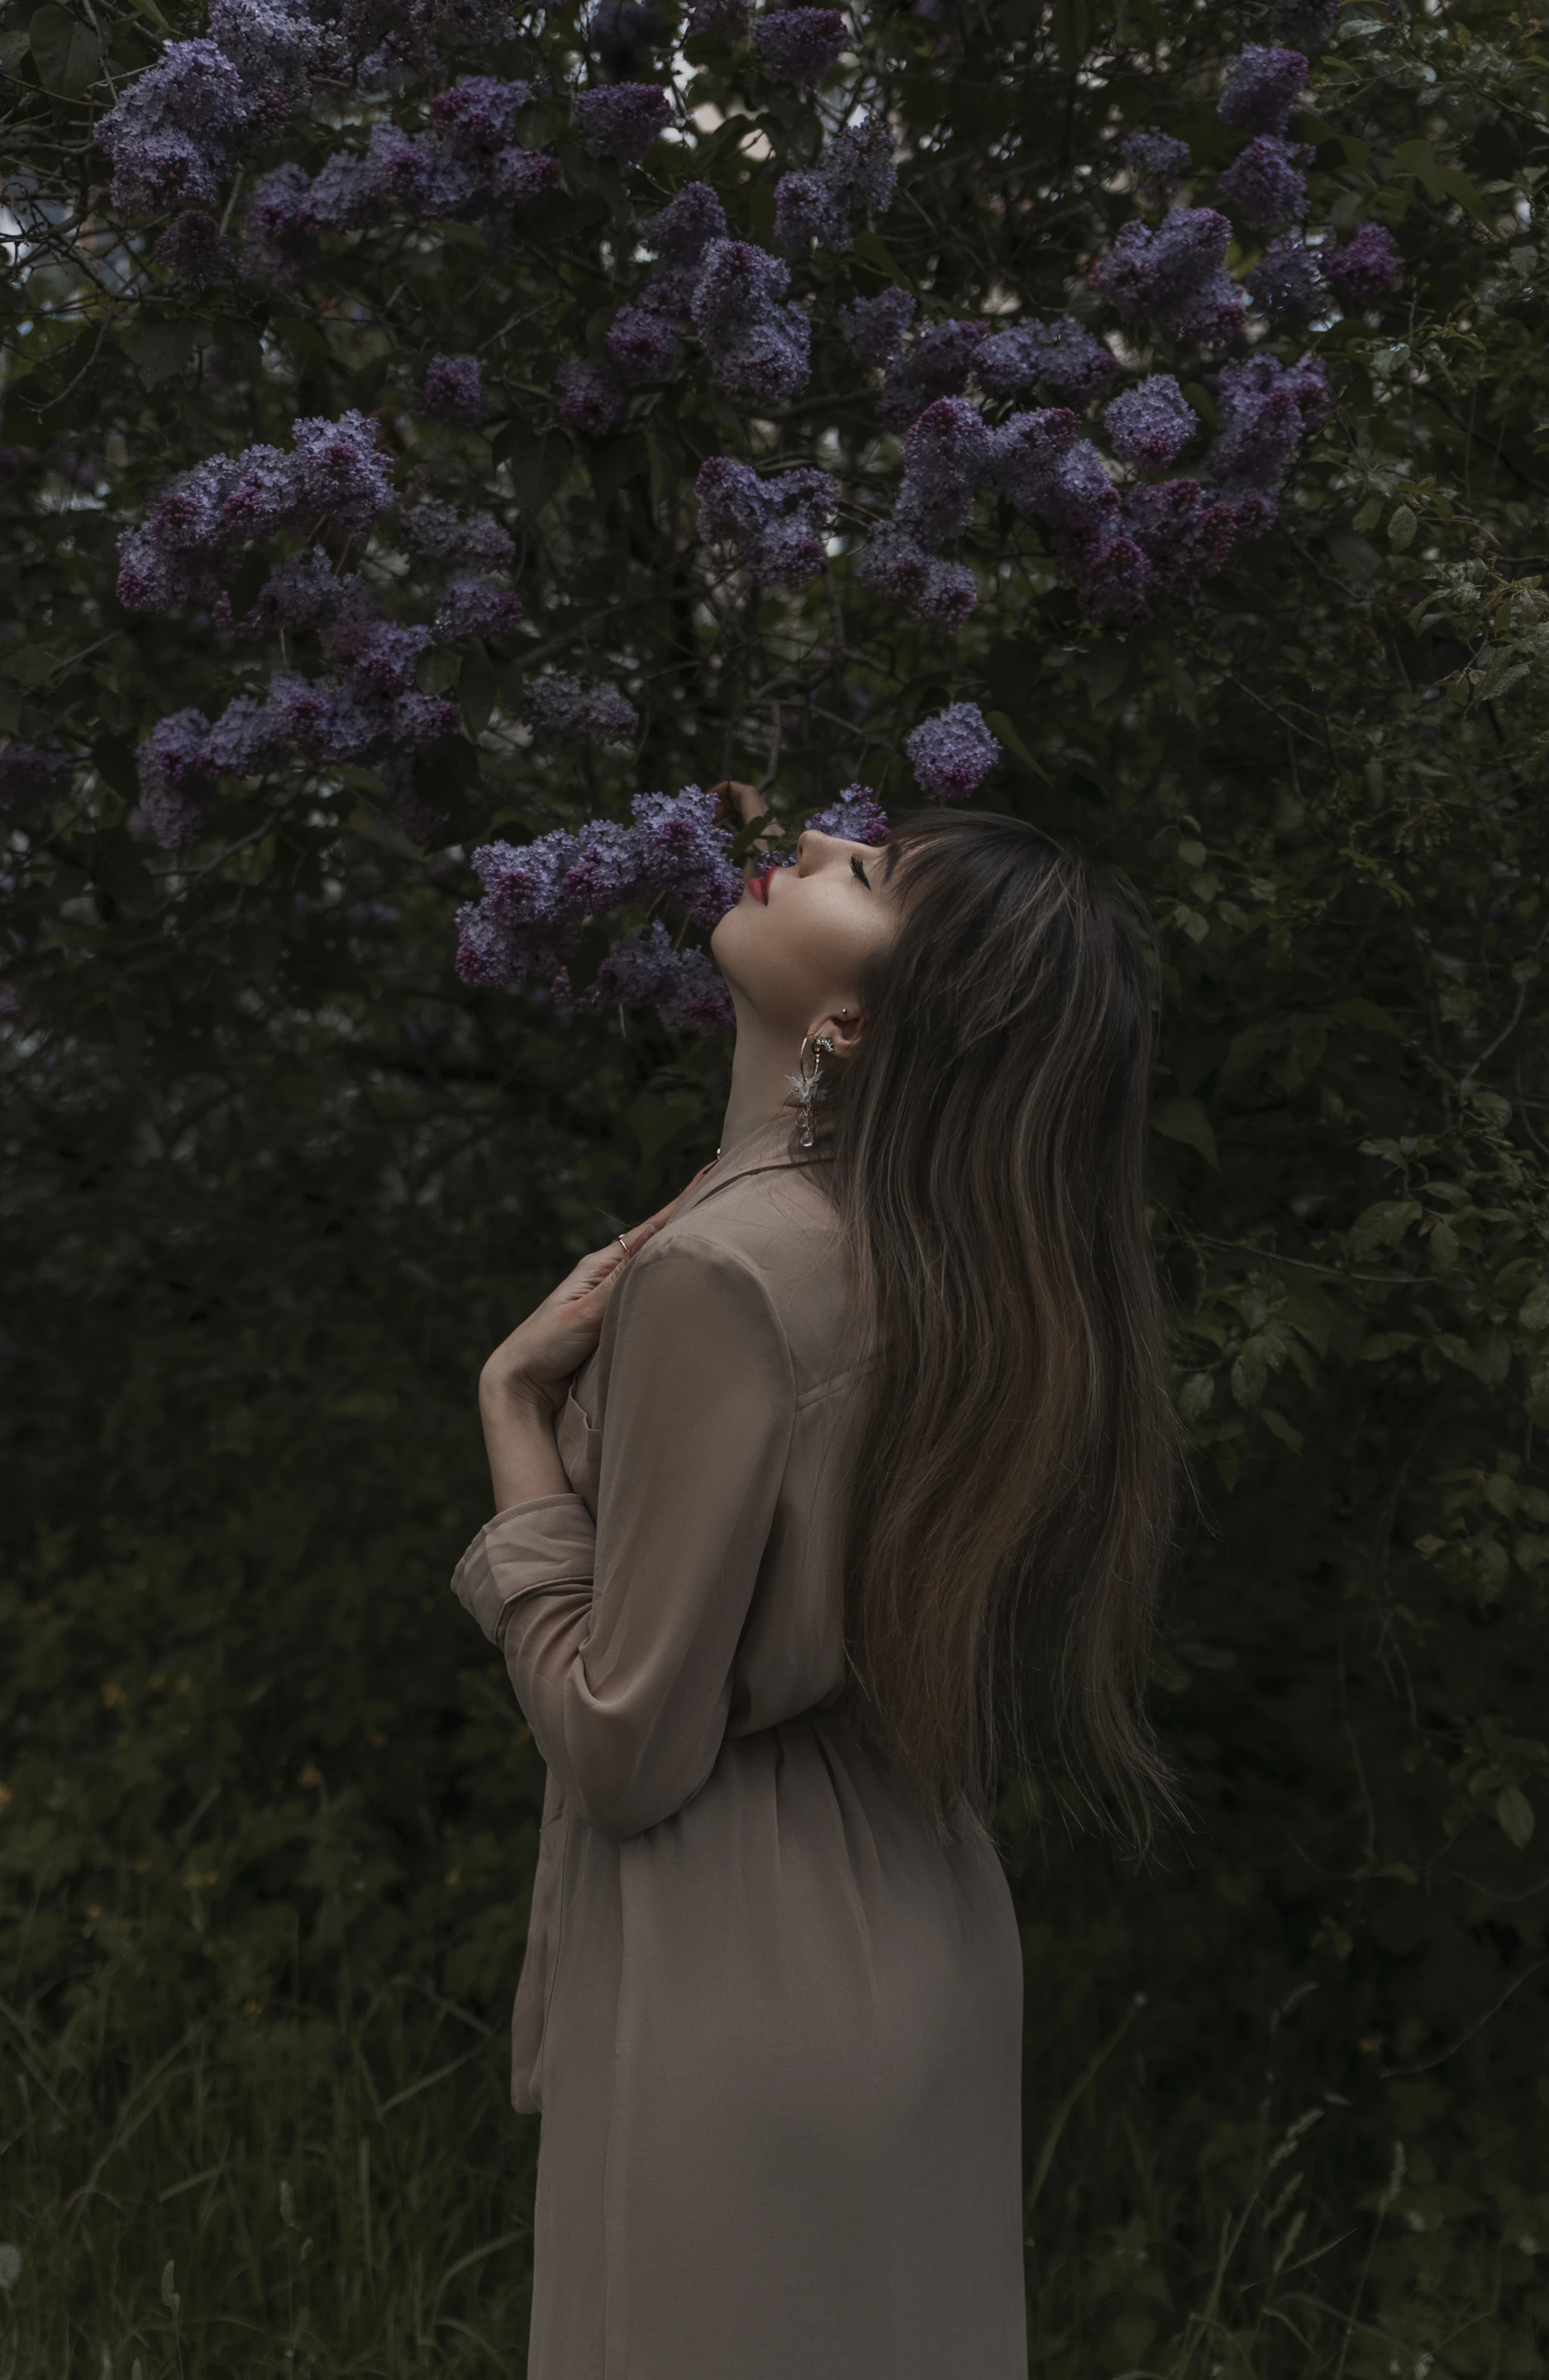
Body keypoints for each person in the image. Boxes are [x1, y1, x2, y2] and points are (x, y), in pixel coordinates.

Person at [450, 788, 1179, 2379]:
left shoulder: (731, 1271)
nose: (829, 845)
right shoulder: (959, 1273)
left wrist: (514, 1413)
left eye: (878, 878)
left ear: (858, 1018)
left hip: (732, 1970)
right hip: (918, 1935)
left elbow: (627, 1743)